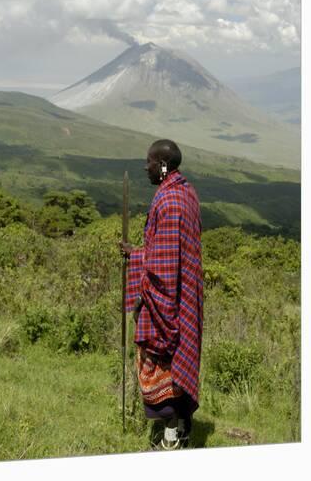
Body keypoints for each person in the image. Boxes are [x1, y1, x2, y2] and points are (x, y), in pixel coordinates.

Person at [119, 139, 203, 450]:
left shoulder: (168, 201)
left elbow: (163, 268)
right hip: (187, 296)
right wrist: (138, 253)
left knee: (163, 363)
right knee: (180, 362)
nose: (146, 167)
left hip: (169, 301)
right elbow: (167, 251)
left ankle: (170, 440)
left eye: (150, 162)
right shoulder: (187, 192)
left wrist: (139, 260)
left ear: (163, 165)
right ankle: (182, 429)